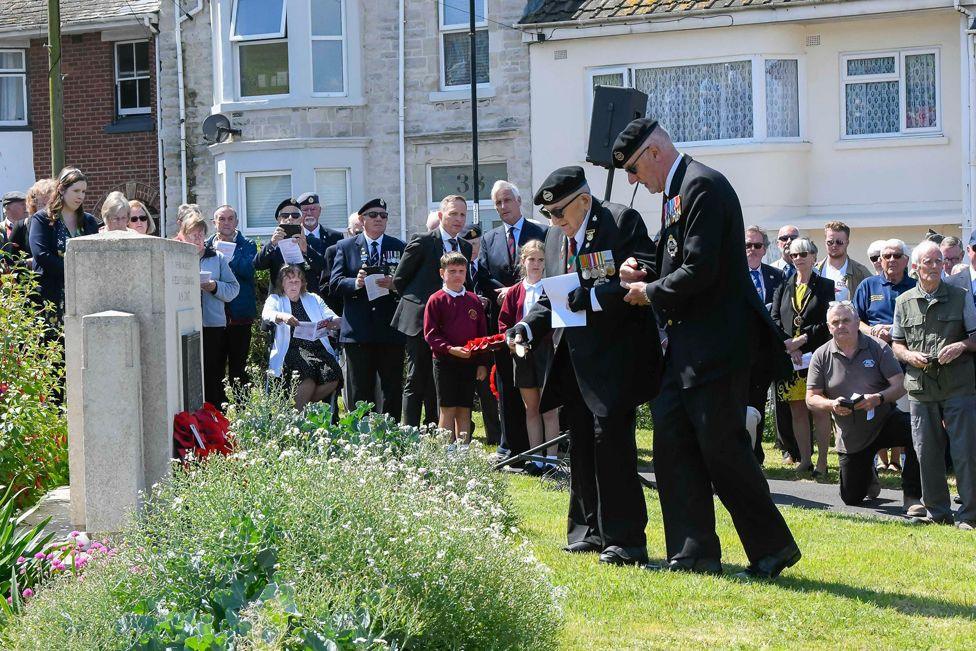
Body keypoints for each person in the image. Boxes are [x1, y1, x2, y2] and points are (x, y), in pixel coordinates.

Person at [615, 119, 799, 578]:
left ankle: (772, 547)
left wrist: (650, 292)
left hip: (716, 347)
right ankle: (693, 550)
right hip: (686, 348)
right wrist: (645, 268)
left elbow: (701, 268)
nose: (636, 182)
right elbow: (677, 255)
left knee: (723, 451)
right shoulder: (681, 189)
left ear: (654, 153)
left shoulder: (704, 187)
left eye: (635, 170)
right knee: (673, 445)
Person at [506, 165, 659, 567]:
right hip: (574, 360)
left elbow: (645, 273)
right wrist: (525, 326)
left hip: (615, 358)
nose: (555, 222)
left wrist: (590, 299)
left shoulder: (621, 221)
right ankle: (586, 531)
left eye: (559, 213)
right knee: (582, 448)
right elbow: (551, 296)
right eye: (550, 216)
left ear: (585, 201)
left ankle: (625, 540)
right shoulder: (557, 236)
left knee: (612, 446)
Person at [806, 301, 923, 516]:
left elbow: (900, 384)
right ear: (829, 327)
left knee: (917, 431)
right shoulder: (821, 355)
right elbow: (811, 398)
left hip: (884, 420)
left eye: (846, 320)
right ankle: (868, 473)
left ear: (857, 322)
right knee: (852, 498)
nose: (841, 325)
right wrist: (831, 404)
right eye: (835, 322)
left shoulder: (878, 347)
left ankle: (912, 496)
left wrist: (878, 398)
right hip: (852, 435)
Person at [892, 241, 976, 529]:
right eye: (928, 262)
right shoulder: (903, 301)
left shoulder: (960, 295)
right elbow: (896, 343)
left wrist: (961, 346)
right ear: (915, 267)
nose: (935, 266)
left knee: (965, 452)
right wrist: (908, 355)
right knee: (926, 452)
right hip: (921, 386)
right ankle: (938, 512)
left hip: (958, 385)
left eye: (938, 261)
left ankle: (969, 515)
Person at [478, 180, 546, 456]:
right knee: (507, 383)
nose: (503, 207)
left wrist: (516, 289)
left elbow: (548, 267)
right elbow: (482, 276)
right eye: (497, 203)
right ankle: (511, 445)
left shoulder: (541, 231)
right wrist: (500, 292)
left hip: (538, 324)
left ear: (519, 201)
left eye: (507, 200)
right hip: (505, 323)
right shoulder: (489, 238)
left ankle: (544, 446)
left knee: (541, 387)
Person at [392, 195, 473, 427]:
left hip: (451, 324)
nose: (458, 219)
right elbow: (400, 279)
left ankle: (436, 430)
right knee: (416, 378)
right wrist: (428, 304)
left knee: (441, 379)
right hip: (419, 321)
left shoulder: (465, 247)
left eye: (462, 215)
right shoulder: (424, 241)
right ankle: (409, 432)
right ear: (440, 216)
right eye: (453, 214)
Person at [330, 198, 406, 419]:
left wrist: (394, 284)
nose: (379, 219)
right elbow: (334, 284)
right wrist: (356, 282)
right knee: (360, 391)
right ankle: (361, 437)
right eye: (374, 215)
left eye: (383, 216)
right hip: (358, 331)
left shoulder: (398, 246)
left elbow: (408, 284)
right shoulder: (345, 247)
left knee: (391, 389)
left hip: (389, 329)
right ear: (362, 219)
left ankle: (391, 436)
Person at [772, 237, 835, 477]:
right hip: (790, 357)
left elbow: (827, 322)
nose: (798, 258)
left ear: (814, 256)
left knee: (818, 408)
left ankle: (822, 461)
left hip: (816, 356)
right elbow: (775, 318)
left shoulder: (826, 286)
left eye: (803, 254)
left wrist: (803, 340)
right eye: (794, 254)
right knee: (797, 409)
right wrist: (789, 344)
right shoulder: (783, 285)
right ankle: (804, 459)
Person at [853, 239, 915, 472]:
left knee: (902, 407)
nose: (890, 260)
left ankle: (899, 460)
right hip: (873, 355)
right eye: (885, 256)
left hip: (903, 356)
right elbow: (855, 318)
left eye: (896, 256)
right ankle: (881, 459)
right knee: (876, 405)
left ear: (906, 260)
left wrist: (893, 331)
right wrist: (872, 331)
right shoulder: (868, 285)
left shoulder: (914, 286)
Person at [498, 239, 559, 475]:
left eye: (541, 259)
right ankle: (536, 459)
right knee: (530, 408)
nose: (536, 264)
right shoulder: (515, 291)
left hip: (547, 352)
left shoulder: (551, 288)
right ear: (523, 261)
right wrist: (510, 340)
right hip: (522, 355)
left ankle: (552, 460)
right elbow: (504, 323)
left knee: (549, 409)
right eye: (531, 259)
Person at [424, 251, 488, 449]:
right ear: (442, 273)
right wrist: (451, 349)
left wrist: (482, 363)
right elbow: (430, 335)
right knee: (448, 408)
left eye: (461, 271)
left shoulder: (473, 300)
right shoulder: (436, 300)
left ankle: (463, 448)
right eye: (452, 271)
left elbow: (482, 334)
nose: (457, 275)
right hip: (445, 362)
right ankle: (447, 451)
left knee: (464, 407)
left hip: (469, 362)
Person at [179, 214, 240, 408]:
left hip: (212, 326)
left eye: (200, 234)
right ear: (184, 236)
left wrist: (214, 286)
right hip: (185, 326)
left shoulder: (217, 257)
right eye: (192, 235)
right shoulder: (177, 257)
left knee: (214, 376)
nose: (197, 239)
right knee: (188, 376)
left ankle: (216, 421)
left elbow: (233, 289)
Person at [262, 264, 342, 409]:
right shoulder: (275, 299)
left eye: (297, 281)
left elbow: (331, 316)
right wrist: (282, 316)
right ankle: (300, 415)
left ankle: (301, 407)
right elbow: (267, 314)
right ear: (282, 283)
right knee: (308, 372)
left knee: (334, 375)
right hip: (292, 349)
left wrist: (334, 322)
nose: (294, 285)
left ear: (302, 283)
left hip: (318, 348)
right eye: (289, 281)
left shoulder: (313, 298)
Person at [28, 168, 100, 322]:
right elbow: (41, 255)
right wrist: (73, 273)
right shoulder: (42, 219)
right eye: (76, 191)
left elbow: (96, 256)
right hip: (49, 296)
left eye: (84, 191)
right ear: (61, 189)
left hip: (82, 296)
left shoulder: (89, 222)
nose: (81, 196)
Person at [745, 224, 785, 463]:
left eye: (757, 245)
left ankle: (755, 453)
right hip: (736, 351)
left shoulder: (776, 276)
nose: (752, 250)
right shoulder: (729, 273)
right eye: (747, 245)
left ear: (765, 249)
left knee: (758, 403)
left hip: (763, 352)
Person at [207, 205, 257, 392]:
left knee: (239, 367)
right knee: (214, 366)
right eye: (221, 219)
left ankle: (241, 410)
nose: (226, 223)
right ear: (214, 223)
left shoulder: (248, 244)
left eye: (230, 219)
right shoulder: (205, 245)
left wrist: (225, 257)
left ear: (236, 222)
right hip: (214, 317)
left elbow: (248, 269)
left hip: (240, 315)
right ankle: (216, 412)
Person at [461, 223, 502, 444]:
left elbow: (493, 286)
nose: (473, 248)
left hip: (488, 333)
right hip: (466, 334)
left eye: (477, 243)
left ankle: (495, 434)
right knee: (466, 387)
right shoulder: (459, 268)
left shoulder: (484, 266)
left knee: (488, 388)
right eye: (469, 244)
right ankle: (464, 431)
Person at [254, 198, 317, 294]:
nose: (290, 218)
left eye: (295, 215)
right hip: (280, 298)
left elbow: (321, 267)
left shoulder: (312, 241)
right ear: (279, 220)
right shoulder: (273, 245)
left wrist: (305, 249)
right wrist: (272, 244)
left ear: (300, 219)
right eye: (285, 216)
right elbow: (257, 265)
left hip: (305, 298)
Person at [814, 221, 872, 303]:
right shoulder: (814, 270)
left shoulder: (860, 272)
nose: (834, 245)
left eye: (839, 242)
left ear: (847, 243)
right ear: (825, 242)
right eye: (830, 242)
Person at [296, 192, 342, 295]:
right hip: (302, 295)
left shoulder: (335, 237)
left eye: (313, 209)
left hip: (328, 297)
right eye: (305, 210)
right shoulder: (294, 237)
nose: (309, 213)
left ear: (320, 211)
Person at [1, 191, 29, 262]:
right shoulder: (1, 229)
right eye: (22, 204)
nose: (27, 207)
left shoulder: (32, 226)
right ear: (8, 208)